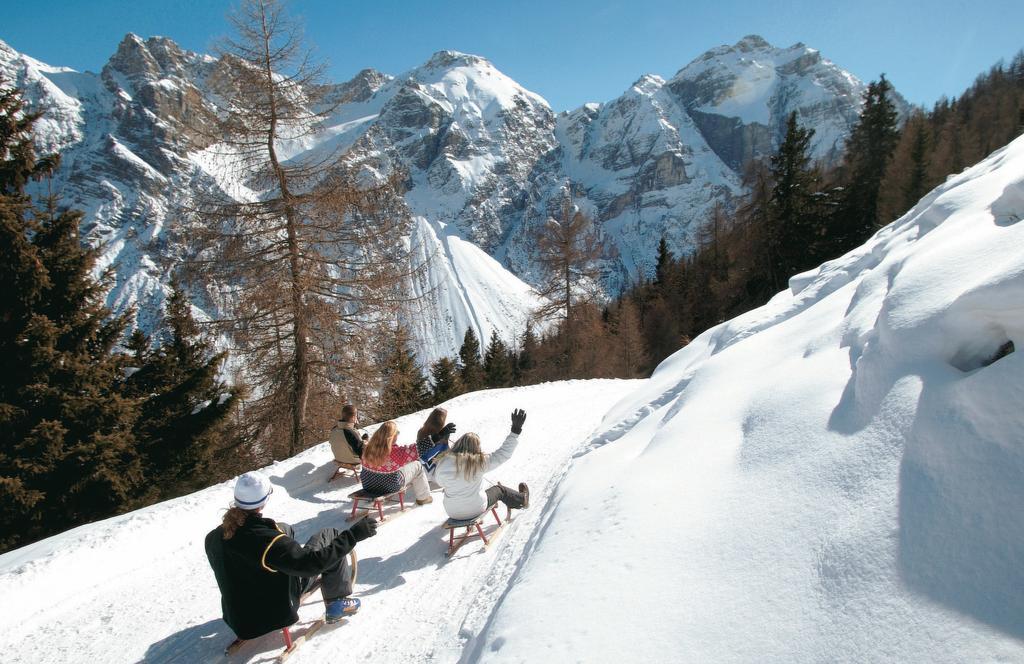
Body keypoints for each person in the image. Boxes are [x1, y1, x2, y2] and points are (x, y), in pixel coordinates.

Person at [205, 471, 377, 639]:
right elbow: (312, 565)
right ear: (264, 500)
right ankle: (337, 602)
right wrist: (353, 535)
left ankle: (288, 561)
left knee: (283, 527)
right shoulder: (268, 541)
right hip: (273, 615)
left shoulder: (213, 537)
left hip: (240, 620)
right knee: (329, 535)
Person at [432, 409, 530, 521]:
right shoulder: (478, 461)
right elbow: (502, 454)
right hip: (476, 508)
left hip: (452, 512)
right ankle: (523, 499)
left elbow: (439, 482)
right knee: (499, 490)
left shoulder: (443, 461)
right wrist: (515, 431)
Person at [360, 421, 433, 504]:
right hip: (390, 486)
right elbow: (417, 449)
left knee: (397, 466)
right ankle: (423, 498)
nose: (398, 435)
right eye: (397, 433)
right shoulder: (395, 452)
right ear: (392, 436)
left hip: (368, 484)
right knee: (417, 465)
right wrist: (436, 437)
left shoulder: (367, 448)